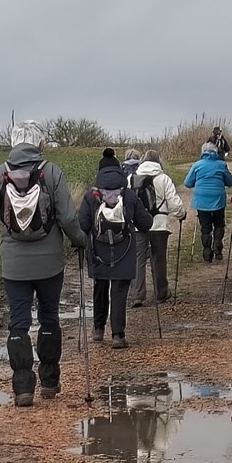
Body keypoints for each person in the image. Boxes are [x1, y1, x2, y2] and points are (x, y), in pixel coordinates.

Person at [0, 130, 78, 405]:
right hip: (50, 263)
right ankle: (50, 382)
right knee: (49, 317)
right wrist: (81, 240)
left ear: (13, 143)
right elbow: (67, 216)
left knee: (18, 322)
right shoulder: (52, 172)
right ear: (39, 143)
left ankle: (22, 388)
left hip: (14, 265)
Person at [78, 144, 144, 348]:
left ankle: (98, 330)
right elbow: (145, 223)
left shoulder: (91, 196)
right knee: (119, 291)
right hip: (124, 251)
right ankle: (118, 335)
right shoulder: (129, 195)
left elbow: (82, 224)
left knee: (100, 287)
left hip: (98, 252)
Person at [128, 150, 181, 304]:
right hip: (159, 224)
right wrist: (181, 214)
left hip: (138, 226)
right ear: (158, 161)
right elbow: (173, 201)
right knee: (159, 258)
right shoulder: (163, 178)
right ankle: (161, 293)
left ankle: (137, 294)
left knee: (138, 259)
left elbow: (124, 200)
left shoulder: (131, 178)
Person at [185, 135, 232, 264]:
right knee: (219, 224)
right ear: (216, 152)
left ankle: (207, 252)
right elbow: (230, 181)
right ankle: (217, 244)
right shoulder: (221, 165)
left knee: (205, 227)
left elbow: (188, 183)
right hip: (218, 199)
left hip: (202, 201)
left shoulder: (197, 165)